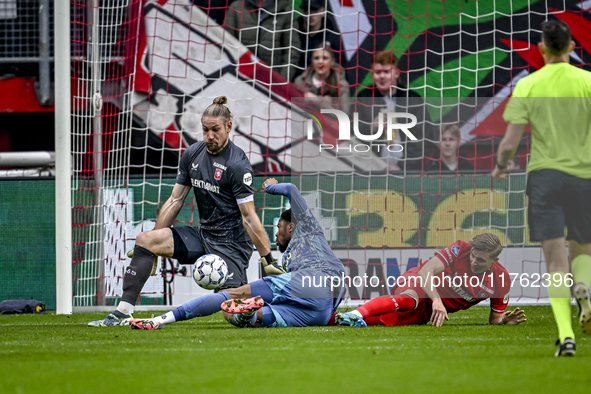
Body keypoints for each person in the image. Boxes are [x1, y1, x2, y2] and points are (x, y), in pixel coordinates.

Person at [88, 96, 275, 327]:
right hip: (203, 236)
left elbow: (249, 217)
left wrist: (267, 258)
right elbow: (175, 200)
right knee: (146, 239)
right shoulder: (193, 154)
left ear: (228, 127)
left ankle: (267, 311)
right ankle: (122, 312)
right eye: (205, 130)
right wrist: (155, 247)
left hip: (231, 246)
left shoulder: (237, 165)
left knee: (231, 314)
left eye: (215, 130)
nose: (210, 136)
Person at [492, 20, 591, 356]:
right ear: (572, 48)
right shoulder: (588, 82)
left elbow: (509, 143)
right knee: (583, 251)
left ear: (543, 49)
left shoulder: (530, 85)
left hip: (545, 178)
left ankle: (566, 337)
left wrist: (502, 166)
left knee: (554, 262)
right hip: (585, 177)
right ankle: (584, 287)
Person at [129, 180, 347, 329]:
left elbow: (291, 188)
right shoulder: (298, 255)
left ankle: (160, 320)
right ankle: (249, 314)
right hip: (322, 310)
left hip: (313, 282)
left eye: (279, 227)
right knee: (253, 320)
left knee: (233, 294)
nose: (277, 232)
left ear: (291, 227)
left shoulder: (307, 227)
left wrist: (270, 187)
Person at [336, 233, 527, 328]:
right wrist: (437, 300)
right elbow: (426, 271)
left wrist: (503, 321)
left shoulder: (501, 281)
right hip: (419, 285)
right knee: (409, 300)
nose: (474, 262)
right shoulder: (460, 249)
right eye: (473, 256)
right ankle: (355, 312)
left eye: (481, 260)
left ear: (495, 261)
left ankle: (329, 319)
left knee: (376, 322)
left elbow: (494, 320)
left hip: (428, 312)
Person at [357, 51, 434, 171]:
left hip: (407, 172)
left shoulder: (412, 99)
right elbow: (351, 134)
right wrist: (371, 128)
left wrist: (403, 168)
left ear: (396, 73)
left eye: (386, 72)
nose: (382, 76)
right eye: (378, 72)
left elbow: (423, 137)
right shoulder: (363, 98)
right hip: (371, 170)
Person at [225, 0, 300, 81]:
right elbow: (227, 43)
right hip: (238, 74)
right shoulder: (237, 7)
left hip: (270, 79)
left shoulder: (286, 12)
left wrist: (280, 80)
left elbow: (292, 50)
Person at [294, 45, 350, 115]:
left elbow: (343, 115)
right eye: (316, 58)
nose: (320, 62)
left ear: (332, 61)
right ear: (311, 61)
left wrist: (316, 99)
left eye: (325, 58)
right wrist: (325, 101)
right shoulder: (300, 81)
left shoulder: (342, 85)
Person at [296, 0, 342, 76]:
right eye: (306, 10)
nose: (310, 14)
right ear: (301, 11)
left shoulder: (332, 35)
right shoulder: (292, 31)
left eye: (315, 10)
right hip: (294, 82)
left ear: (323, 12)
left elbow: (341, 64)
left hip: (325, 82)